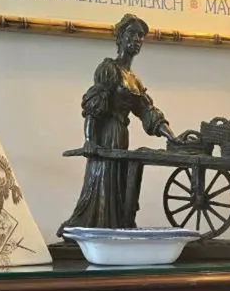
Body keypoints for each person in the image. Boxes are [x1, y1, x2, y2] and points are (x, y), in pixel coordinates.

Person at [59, 13, 174, 234]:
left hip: (121, 134)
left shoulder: (134, 80)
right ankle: (97, 227)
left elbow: (147, 112)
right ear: (120, 37)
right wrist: (89, 141)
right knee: (103, 179)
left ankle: (120, 224)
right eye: (132, 33)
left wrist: (172, 136)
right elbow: (94, 106)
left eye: (141, 35)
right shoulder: (108, 69)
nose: (138, 39)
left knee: (118, 181)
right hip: (106, 134)